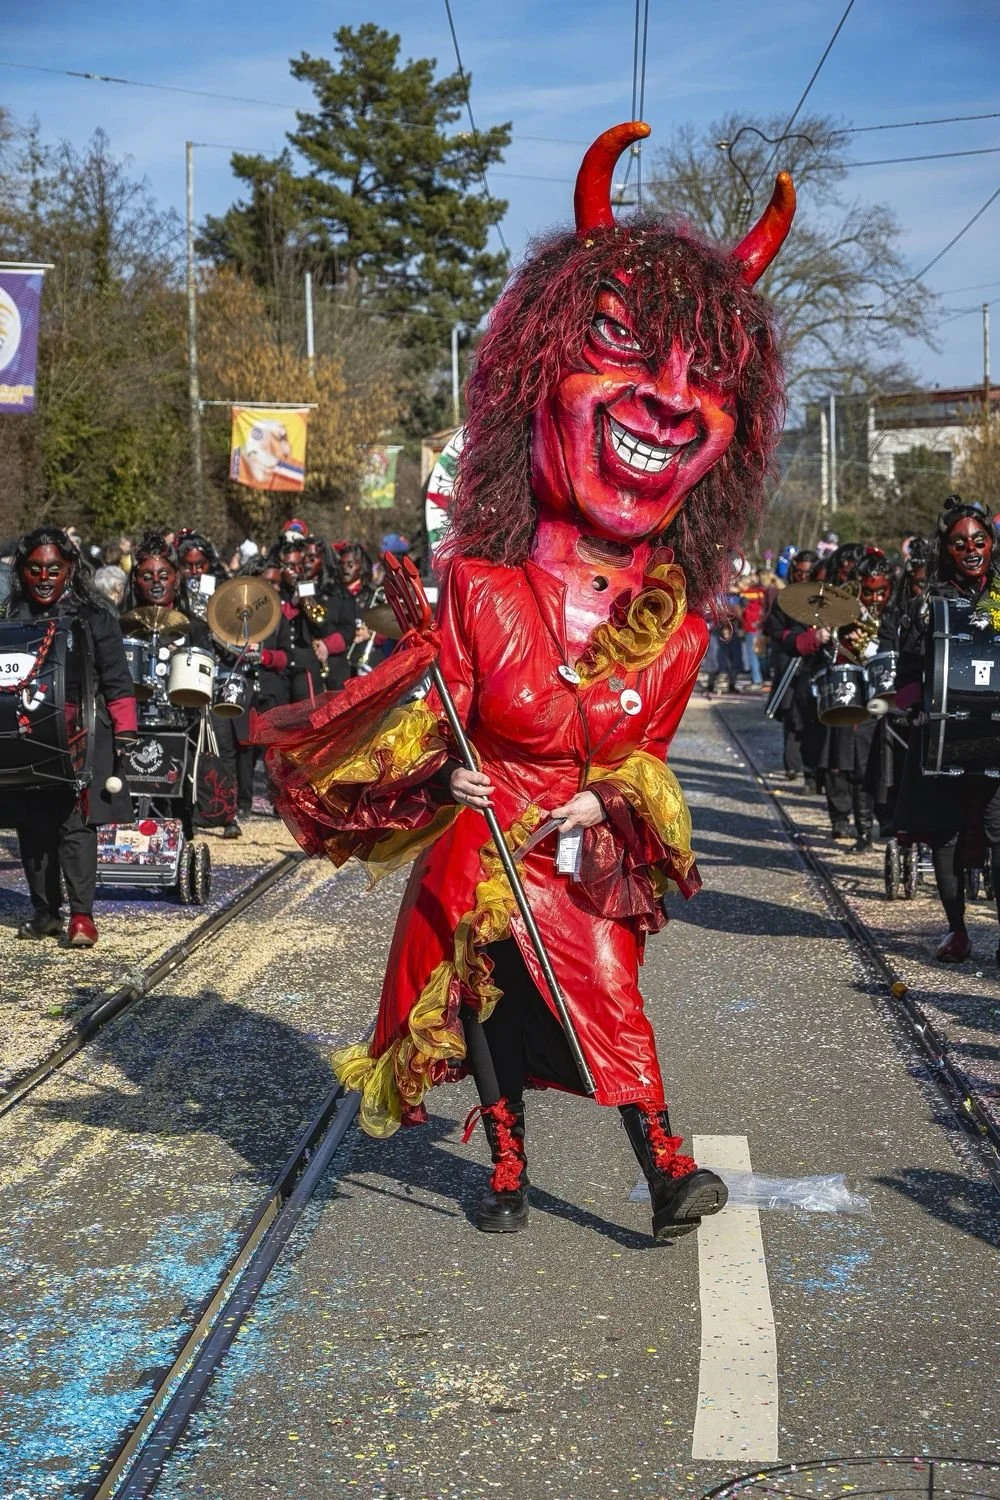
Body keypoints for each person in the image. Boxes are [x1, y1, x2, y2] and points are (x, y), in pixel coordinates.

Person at [252, 124, 795, 1241]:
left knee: (609, 989)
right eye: (622, 347)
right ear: (538, 379)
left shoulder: (677, 629)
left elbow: (646, 762)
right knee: (480, 999)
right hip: (483, 836)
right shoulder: (481, 588)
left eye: (706, 378)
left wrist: (598, 798)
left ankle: (667, 1170)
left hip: (576, 844)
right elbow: (434, 719)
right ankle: (505, 1164)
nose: (667, 401)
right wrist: (445, 779)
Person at [0, 527, 136, 945]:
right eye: (35, 569)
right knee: (31, 826)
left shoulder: (94, 616)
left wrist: (126, 732)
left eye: (53, 569)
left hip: (81, 739)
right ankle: (45, 913)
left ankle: (81, 916)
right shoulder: (9, 617)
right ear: (22, 571)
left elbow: (117, 678)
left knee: (75, 825)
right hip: (24, 737)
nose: (44, 578)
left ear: (70, 569)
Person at [893, 497, 1000, 962]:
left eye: (979, 541)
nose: (971, 550)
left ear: (991, 543)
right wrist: (915, 708)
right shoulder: (927, 605)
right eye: (960, 543)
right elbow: (905, 678)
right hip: (943, 741)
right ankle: (957, 931)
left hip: (997, 741)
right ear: (946, 550)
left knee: (999, 833)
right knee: (945, 836)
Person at [126, 532, 241, 838]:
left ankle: (180, 843)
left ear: (176, 578)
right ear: (135, 580)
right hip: (135, 723)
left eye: (163, 575)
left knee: (180, 799)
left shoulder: (195, 627)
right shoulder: (122, 624)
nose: (156, 583)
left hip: (183, 723)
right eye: (147, 576)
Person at [818, 549, 892, 850]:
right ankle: (861, 831)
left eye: (881, 592)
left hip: (889, 698)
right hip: (857, 698)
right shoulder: (845, 613)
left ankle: (885, 823)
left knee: (884, 763)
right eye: (869, 593)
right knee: (857, 765)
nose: (875, 599)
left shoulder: (896, 612)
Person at [764, 548, 825, 784]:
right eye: (798, 573)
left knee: (815, 719)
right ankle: (793, 766)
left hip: (816, 666)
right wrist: (798, 640)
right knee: (792, 719)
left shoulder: (824, 599)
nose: (802, 577)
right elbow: (774, 630)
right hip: (791, 664)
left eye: (807, 573)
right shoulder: (784, 598)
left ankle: (813, 771)